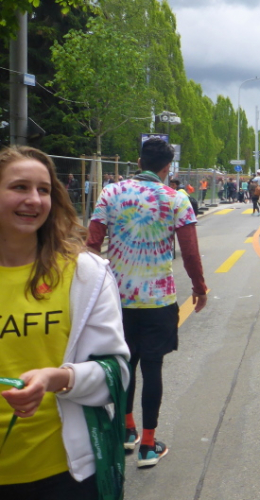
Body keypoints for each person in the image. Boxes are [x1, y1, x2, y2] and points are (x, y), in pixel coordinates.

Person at [0, 146, 130, 498]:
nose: (33, 199)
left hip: (65, 473)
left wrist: (58, 378)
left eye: (43, 190)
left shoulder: (85, 274)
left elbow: (116, 375)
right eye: (19, 187)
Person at [88, 138, 208, 469]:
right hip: (158, 299)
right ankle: (149, 446)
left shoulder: (110, 193)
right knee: (153, 367)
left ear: (139, 162)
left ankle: (127, 431)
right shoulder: (177, 199)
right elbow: (190, 252)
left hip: (117, 300)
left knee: (125, 364)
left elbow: (92, 245)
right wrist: (199, 288)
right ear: (168, 167)